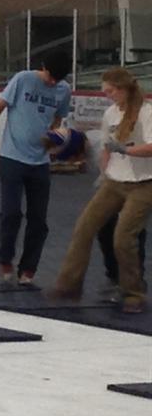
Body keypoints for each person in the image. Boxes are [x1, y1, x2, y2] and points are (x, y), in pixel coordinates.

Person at [47, 68, 152, 314]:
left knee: (123, 237)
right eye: (105, 92)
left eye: (111, 91)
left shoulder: (147, 113)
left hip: (144, 183)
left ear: (124, 88)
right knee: (84, 228)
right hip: (114, 181)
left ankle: (133, 291)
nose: (107, 96)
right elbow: (107, 146)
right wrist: (105, 170)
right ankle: (69, 285)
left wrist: (125, 151)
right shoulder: (110, 114)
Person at [0, 51, 73, 287]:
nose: (53, 82)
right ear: (43, 67)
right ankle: (5, 258)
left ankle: (29, 268)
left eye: (58, 79)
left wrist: (52, 139)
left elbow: (58, 118)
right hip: (12, 156)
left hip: (40, 162)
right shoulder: (22, 79)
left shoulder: (63, 90)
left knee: (39, 219)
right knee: (11, 212)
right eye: (50, 77)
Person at [45, 125, 146, 300]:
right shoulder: (90, 138)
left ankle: (133, 285)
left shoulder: (100, 151)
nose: (72, 162)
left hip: (137, 181)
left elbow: (116, 178)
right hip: (120, 182)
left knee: (128, 232)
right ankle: (115, 277)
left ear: (77, 152)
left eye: (70, 158)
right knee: (104, 227)